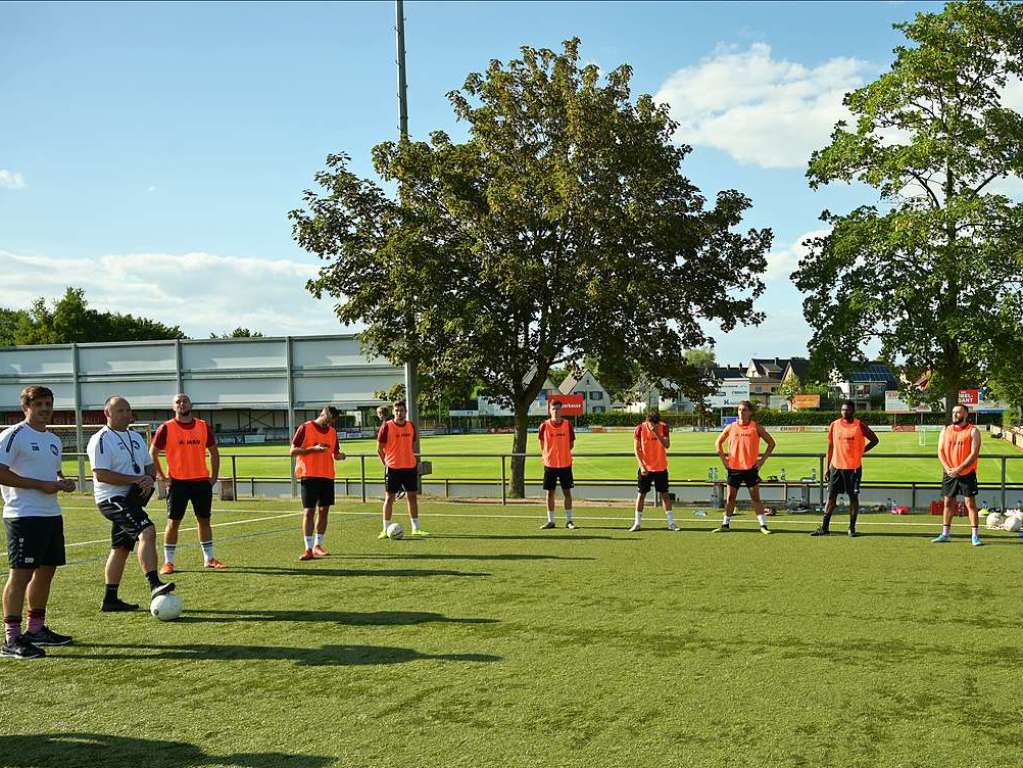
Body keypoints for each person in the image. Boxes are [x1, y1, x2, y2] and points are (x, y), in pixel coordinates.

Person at [0, 386, 76, 659]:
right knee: (20, 575)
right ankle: (11, 638)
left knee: (46, 572)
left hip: (50, 514)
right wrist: (40, 485)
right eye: (40, 404)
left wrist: (61, 483)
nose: (45, 408)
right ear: (26, 407)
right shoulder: (13, 436)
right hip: (23, 515)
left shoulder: (53, 440)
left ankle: (36, 629)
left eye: (49, 404)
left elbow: (51, 474)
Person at [86, 396, 175, 611]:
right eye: (120, 410)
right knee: (147, 530)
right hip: (111, 499)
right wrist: (135, 480)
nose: (126, 414)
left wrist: (148, 478)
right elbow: (101, 474)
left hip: (132, 498)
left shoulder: (135, 436)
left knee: (121, 548)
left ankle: (110, 599)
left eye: (128, 410)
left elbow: (148, 465)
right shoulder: (101, 439)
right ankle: (154, 584)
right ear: (107, 413)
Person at [149, 393, 226, 572]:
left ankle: (209, 558)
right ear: (173, 407)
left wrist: (213, 477)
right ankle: (168, 562)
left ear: (191, 404)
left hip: (201, 482)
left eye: (185, 401)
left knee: (204, 521)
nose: (182, 404)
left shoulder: (203, 426)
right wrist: (162, 476)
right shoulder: (166, 428)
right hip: (178, 484)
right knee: (173, 522)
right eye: (178, 402)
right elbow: (152, 453)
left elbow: (214, 452)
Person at [811, 400, 879, 537]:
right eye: (842, 410)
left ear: (853, 411)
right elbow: (830, 448)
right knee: (831, 498)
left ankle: (851, 528)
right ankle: (824, 528)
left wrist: (861, 451)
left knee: (853, 498)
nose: (844, 412)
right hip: (836, 467)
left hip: (853, 468)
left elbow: (875, 440)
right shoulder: (834, 425)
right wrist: (827, 468)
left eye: (847, 410)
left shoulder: (859, 425)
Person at [291, 405, 345, 560]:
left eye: (332, 421)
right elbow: (292, 451)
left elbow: (335, 453)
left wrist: (341, 456)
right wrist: (313, 449)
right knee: (309, 512)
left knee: (324, 511)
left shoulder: (333, 432)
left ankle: (317, 545)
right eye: (328, 420)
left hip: (327, 475)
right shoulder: (305, 428)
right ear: (323, 414)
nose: (329, 424)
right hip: (309, 475)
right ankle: (308, 548)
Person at [713, 401, 776, 534]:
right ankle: (725, 524)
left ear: (750, 412)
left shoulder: (755, 427)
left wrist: (761, 461)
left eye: (744, 410)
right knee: (730, 498)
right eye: (740, 409)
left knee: (755, 498)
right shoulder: (731, 427)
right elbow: (718, 443)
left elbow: (771, 443)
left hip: (750, 469)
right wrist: (724, 460)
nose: (741, 412)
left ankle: (763, 526)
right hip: (734, 469)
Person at [933, 404, 983, 546]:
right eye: (954, 412)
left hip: (967, 473)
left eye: (958, 412)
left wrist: (959, 468)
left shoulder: (973, 431)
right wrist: (948, 468)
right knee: (948, 503)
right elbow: (940, 452)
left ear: (966, 414)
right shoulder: (946, 430)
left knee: (970, 503)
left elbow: (974, 454)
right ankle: (945, 534)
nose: (955, 414)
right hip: (949, 473)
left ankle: (975, 536)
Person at [377, 400, 426, 537]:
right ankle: (385, 529)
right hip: (393, 468)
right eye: (397, 410)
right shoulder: (387, 426)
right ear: (393, 412)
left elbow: (411, 445)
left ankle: (416, 528)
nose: (399, 413)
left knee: (412, 497)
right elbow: (379, 449)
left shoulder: (411, 426)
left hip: (410, 467)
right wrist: (386, 463)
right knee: (389, 498)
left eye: (402, 410)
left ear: (406, 412)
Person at [630, 409, 678, 532]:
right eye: (652, 423)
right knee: (641, 495)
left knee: (665, 495)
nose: (654, 426)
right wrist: (641, 465)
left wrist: (657, 433)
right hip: (645, 468)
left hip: (661, 467)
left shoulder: (663, 427)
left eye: (656, 423)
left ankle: (671, 523)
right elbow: (637, 449)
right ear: (647, 421)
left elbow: (667, 445)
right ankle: (637, 523)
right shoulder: (639, 429)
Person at [539, 399, 576, 530]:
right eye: (553, 409)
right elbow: (542, 443)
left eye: (558, 409)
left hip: (565, 464)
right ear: (550, 410)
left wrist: (562, 453)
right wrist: (547, 455)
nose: (556, 411)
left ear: (562, 410)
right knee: (550, 493)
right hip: (550, 465)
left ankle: (569, 520)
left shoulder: (568, 424)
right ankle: (550, 521)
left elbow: (571, 444)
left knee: (567, 493)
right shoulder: (544, 425)